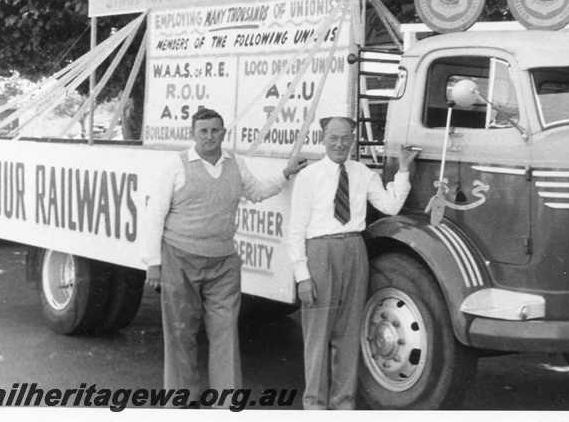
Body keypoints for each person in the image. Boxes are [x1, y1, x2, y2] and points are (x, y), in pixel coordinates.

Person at [144, 108, 307, 407]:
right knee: (181, 332)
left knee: (225, 333)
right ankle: (181, 400)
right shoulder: (175, 165)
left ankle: (227, 402)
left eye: (215, 130)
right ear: (193, 133)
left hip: (223, 262)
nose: (210, 137)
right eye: (203, 131)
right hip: (179, 258)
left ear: (223, 132)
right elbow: (154, 215)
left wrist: (285, 174)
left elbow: (256, 191)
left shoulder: (234, 163)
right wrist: (153, 262)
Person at [286, 116, 419, 410]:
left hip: (354, 251)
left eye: (345, 138)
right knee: (318, 336)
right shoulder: (309, 177)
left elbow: (390, 206)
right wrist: (302, 275)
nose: (339, 144)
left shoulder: (362, 172)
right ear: (323, 139)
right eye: (333, 138)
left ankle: (343, 405)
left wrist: (404, 169)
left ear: (353, 139)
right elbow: (295, 229)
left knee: (348, 335)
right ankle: (315, 407)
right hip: (320, 252)